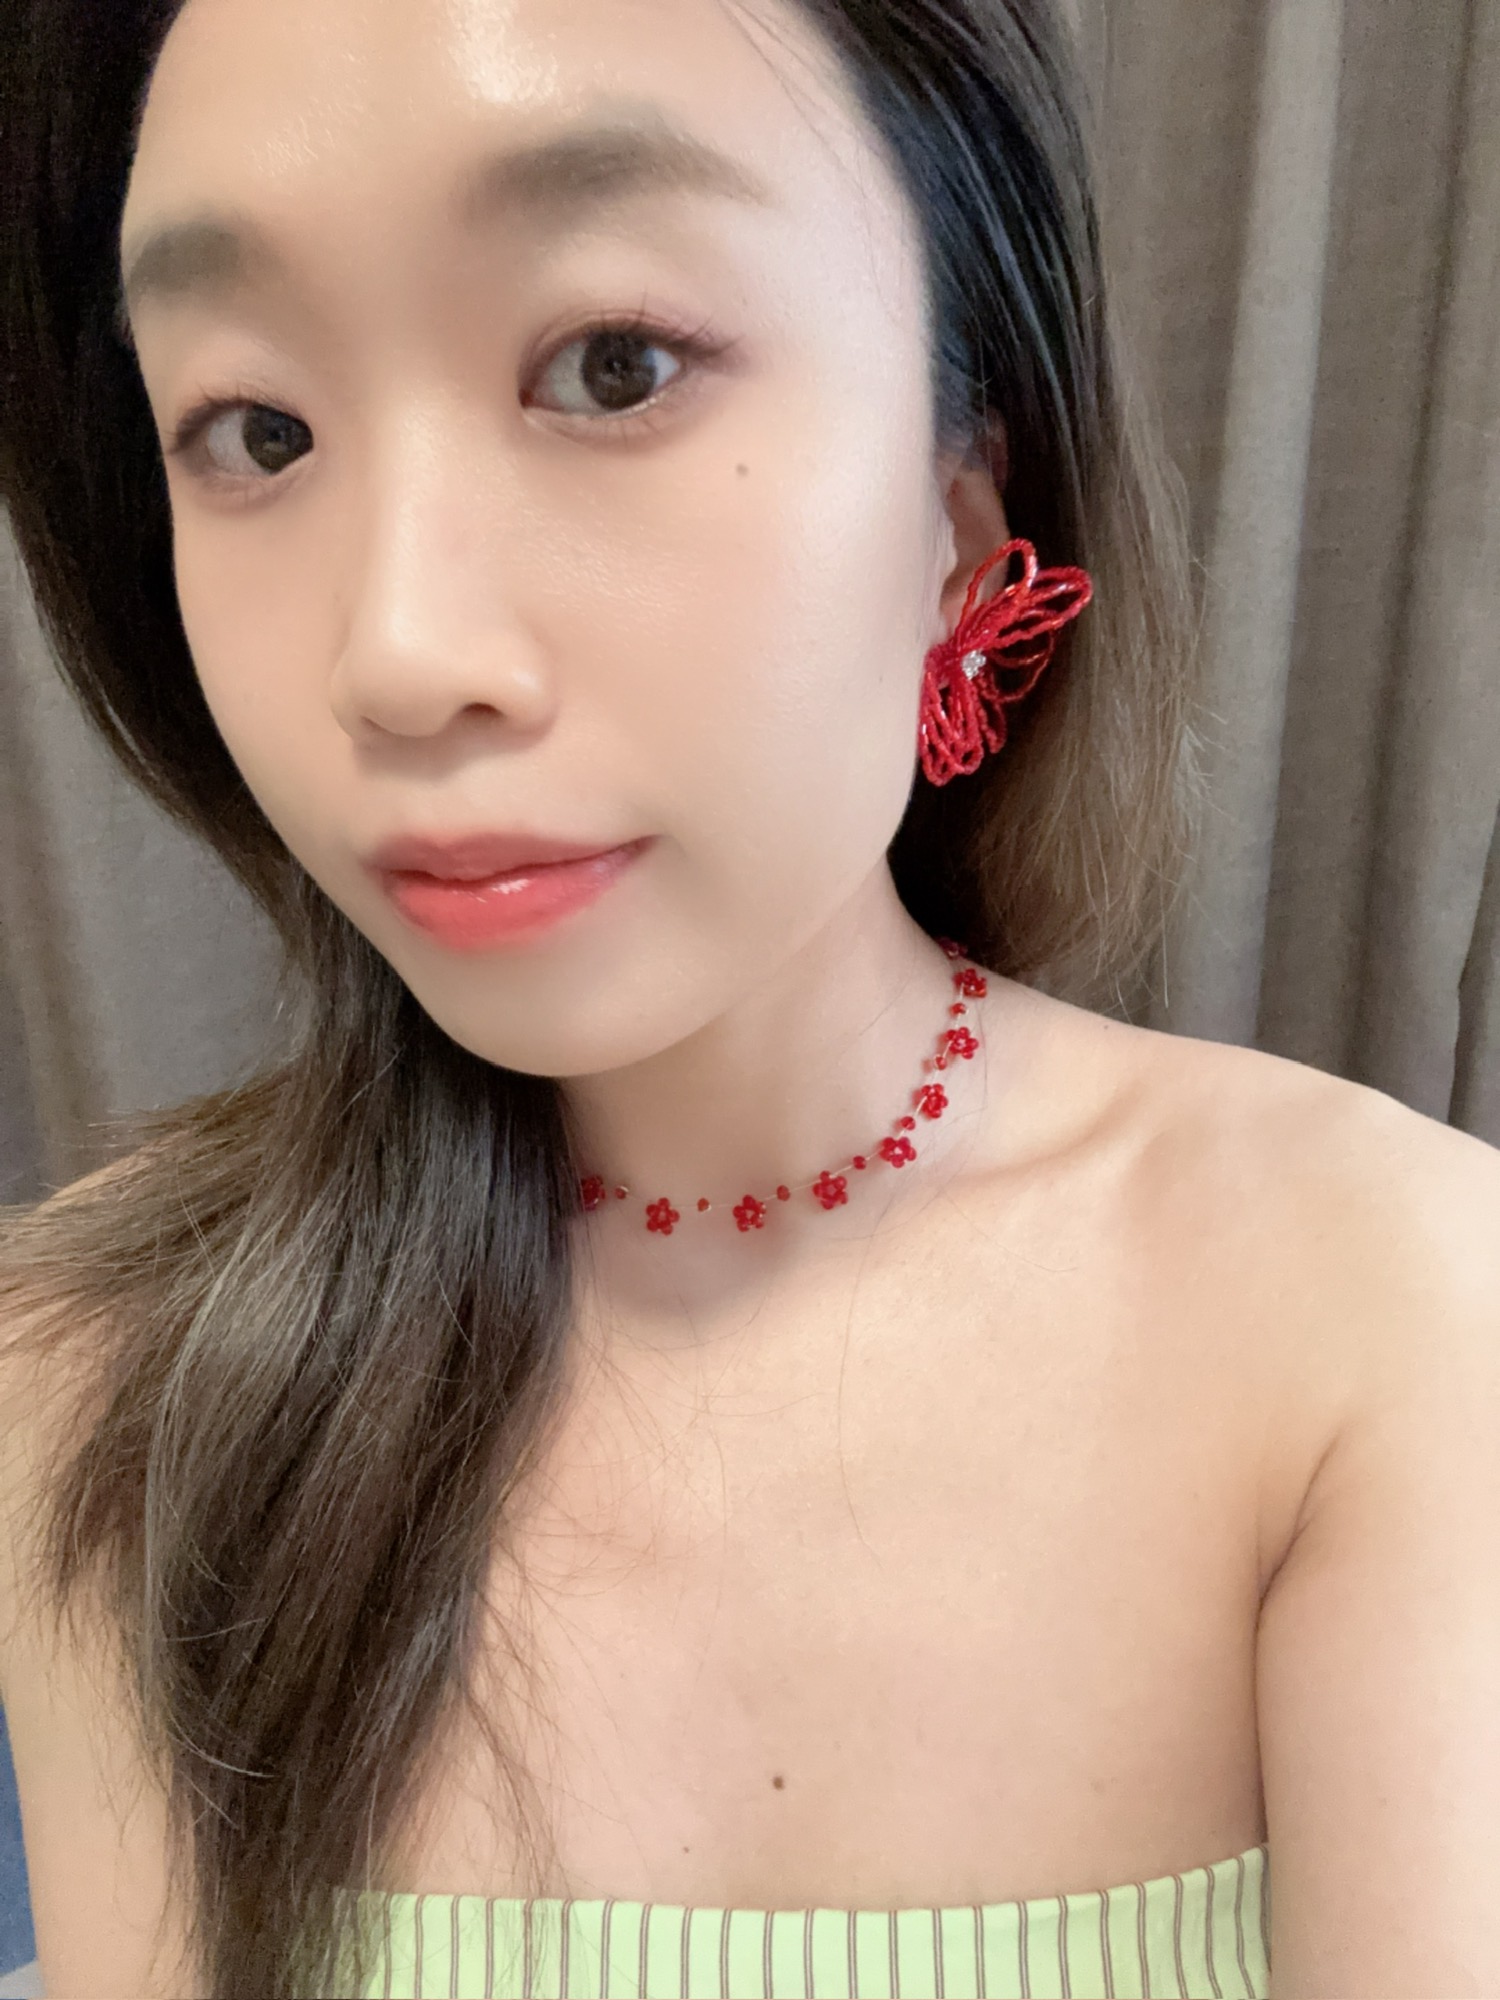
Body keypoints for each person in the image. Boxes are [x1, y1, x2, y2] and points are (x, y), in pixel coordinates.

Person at [1, 0, 1496, 1994]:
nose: (399, 655)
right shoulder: (99, 1380)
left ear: (966, 507)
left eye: (611, 366)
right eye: (258, 430)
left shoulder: (1387, 1317)